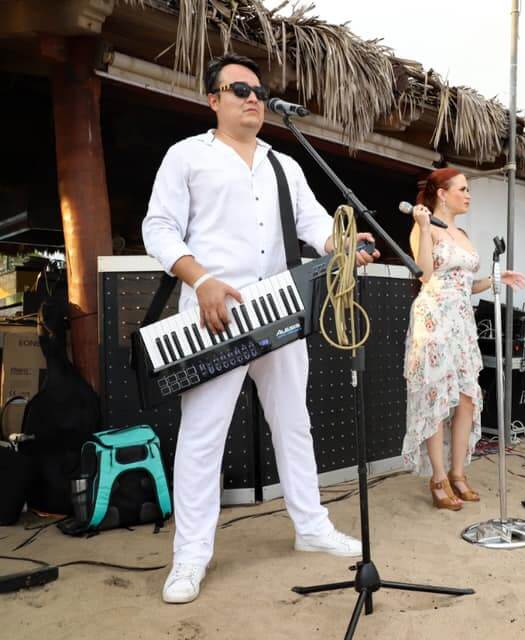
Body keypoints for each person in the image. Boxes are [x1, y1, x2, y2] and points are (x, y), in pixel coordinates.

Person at [142, 53, 380, 604]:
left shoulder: (283, 164)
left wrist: (343, 243)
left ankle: (311, 526)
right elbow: (158, 227)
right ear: (213, 99)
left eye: (259, 91)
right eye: (239, 89)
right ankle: (190, 556)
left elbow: (315, 223)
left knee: (294, 422)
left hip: (279, 309)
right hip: (214, 313)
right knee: (203, 435)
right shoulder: (187, 156)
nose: (253, 98)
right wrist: (201, 280)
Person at [401, 169, 525, 510]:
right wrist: (423, 227)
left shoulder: (463, 234)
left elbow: (467, 285)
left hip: (462, 321)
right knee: (435, 396)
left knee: (467, 398)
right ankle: (438, 477)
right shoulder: (424, 228)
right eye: (463, 189)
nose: (468, 195)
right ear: (442, 194)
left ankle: (458, 473)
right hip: (434, 317)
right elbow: (425, 274)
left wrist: (496, 278)